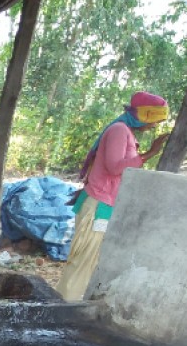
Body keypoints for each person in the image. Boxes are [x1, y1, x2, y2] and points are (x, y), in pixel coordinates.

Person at [56, 91, 170, 300]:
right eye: (154, 120)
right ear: (144, 115)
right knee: (81, 264)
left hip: (104, 205)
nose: (154, 126)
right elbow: (114, 167)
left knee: (87, 264)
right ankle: (62, 310)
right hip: (98, 205)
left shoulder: (126, 132)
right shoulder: (119, 130)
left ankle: (66, 306)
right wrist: (149, 154)